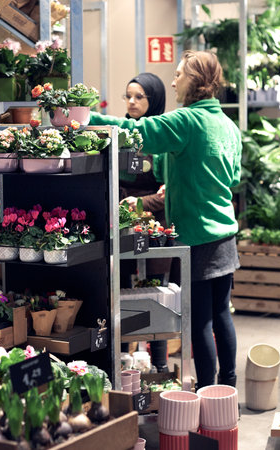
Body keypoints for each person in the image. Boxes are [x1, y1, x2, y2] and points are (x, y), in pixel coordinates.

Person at [90, 50, 242, 389]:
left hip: (198, 234)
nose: (173, 80)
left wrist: (86, 119)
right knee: (221, 315)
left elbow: (135, 130)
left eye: (179, 74)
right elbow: (232, 178)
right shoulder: (227, 125)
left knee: (200, 320)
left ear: (196, 81)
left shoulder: (187, 120)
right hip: (226, 233)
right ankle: (228, 390)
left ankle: (207, 393)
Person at [120, 72, 170, 373]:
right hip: (125, 222)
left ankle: (160, 366)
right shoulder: (122, 133)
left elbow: (168, 192)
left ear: (155, 100)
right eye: (129, 95)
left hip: (156, 225)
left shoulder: (164, 135)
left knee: (159, 293)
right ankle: (125, 360)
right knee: (124, 291)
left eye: (140, 97)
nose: (132, 102)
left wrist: (141, 202)